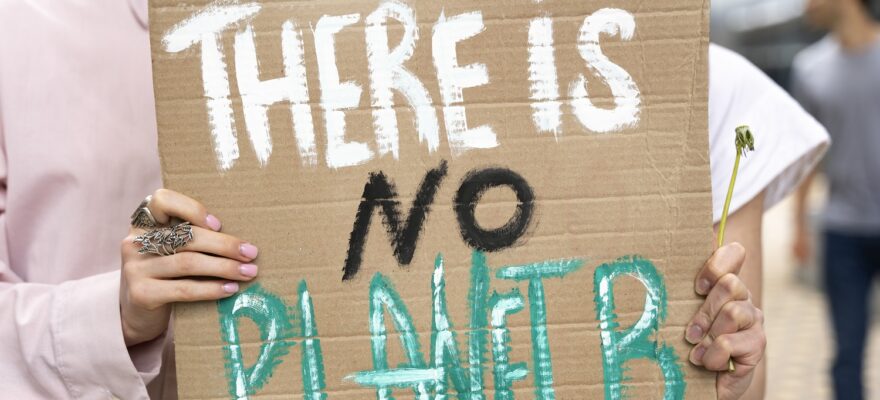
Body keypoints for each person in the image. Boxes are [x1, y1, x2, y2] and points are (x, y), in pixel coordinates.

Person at [0, 1, 827, 399]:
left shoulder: (667, 81)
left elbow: (715, 373)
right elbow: (147, 237)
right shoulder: (29, 33)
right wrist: (115, 311)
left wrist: (725, 358)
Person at [791, 0, 880, 398]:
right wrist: (798, 227)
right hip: (842, 230)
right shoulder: (810, 68)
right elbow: (807, 156)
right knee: (847, 355)